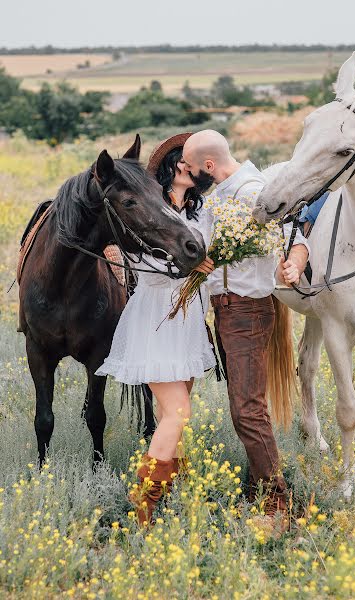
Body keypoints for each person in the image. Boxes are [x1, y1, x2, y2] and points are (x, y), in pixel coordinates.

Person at [182, 130, 309, 526]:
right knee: (244, 406)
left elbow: (296, 236)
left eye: (190, 167)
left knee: (247, 409)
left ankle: (278, 504)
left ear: (208, 166)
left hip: (247, 311)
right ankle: (258, 491)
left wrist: (296, 263)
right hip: (227, 312)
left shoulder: (253, 191)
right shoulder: (219, 194)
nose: (187, 173)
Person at [95, 133, 216, 524]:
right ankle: (143, 503)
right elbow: (149, 271)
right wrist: (187, 265)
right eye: (182, 159)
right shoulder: (146, 210)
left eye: (194, 162)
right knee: (178, 412)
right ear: (170, 166)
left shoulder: (201, 213)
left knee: (174, 413)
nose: (188, 165)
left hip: (189, 320)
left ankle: (167, 497)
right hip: (156, 317)